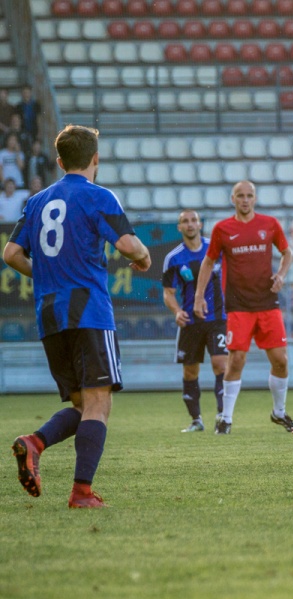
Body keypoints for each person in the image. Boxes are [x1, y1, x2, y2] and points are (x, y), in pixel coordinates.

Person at [3, 124, 151, 508]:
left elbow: (11, 254)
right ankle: (81, 492)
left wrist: (46, 275)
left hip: (49, 315)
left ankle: (34, 442)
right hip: (89, 311)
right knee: (99, 403)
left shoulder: (37, 201)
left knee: (83, 406)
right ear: (96, 159)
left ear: (59, 161)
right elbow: (128, 244)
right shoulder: (98, 196)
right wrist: (144, 256)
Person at [193, 180, 293, 435]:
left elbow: (287, 253)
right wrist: (199, 296)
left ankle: (279, 412)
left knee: (280, 360)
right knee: (236, 360)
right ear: (233, 199)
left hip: (267, 303)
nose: (245, 199)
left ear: (255, 198)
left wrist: (281, 275)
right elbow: (208, 262)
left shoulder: (269, 224)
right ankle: (225, 418)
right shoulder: (222, 229)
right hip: (238, 306)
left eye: (249, 195)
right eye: (240, 195)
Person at [162, 210, 228, 433]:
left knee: (221, 365)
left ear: (200, 224)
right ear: (179, 227)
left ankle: (223, 417)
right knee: (190, 372)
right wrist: (177, 311)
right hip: (190, 321)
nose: (190, 224)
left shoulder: (216, 249)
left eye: (193, 220)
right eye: (185, 221)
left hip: (218, 318)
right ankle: (196, 420)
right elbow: (168, 292)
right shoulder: (173, 258)